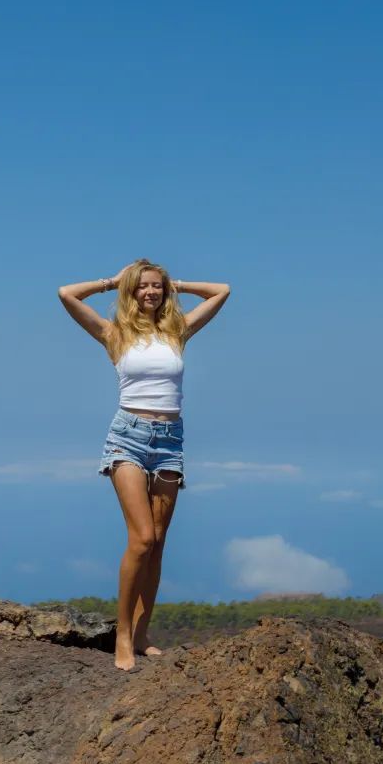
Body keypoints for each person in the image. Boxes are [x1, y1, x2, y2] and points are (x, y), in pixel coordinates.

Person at [58, 260, 231, 670]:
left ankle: (141, 634)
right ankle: (121, 635)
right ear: (131, 291)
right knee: (142, 539)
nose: (150, 292)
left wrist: (176, 283)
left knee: (158, 544)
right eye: (143, 286)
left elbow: (221, 290)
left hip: (170, 441)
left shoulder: (177, 332)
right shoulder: (114, 334)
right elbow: (67, 294)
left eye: (156, 286)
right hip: (128, 438)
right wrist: (112, 281)